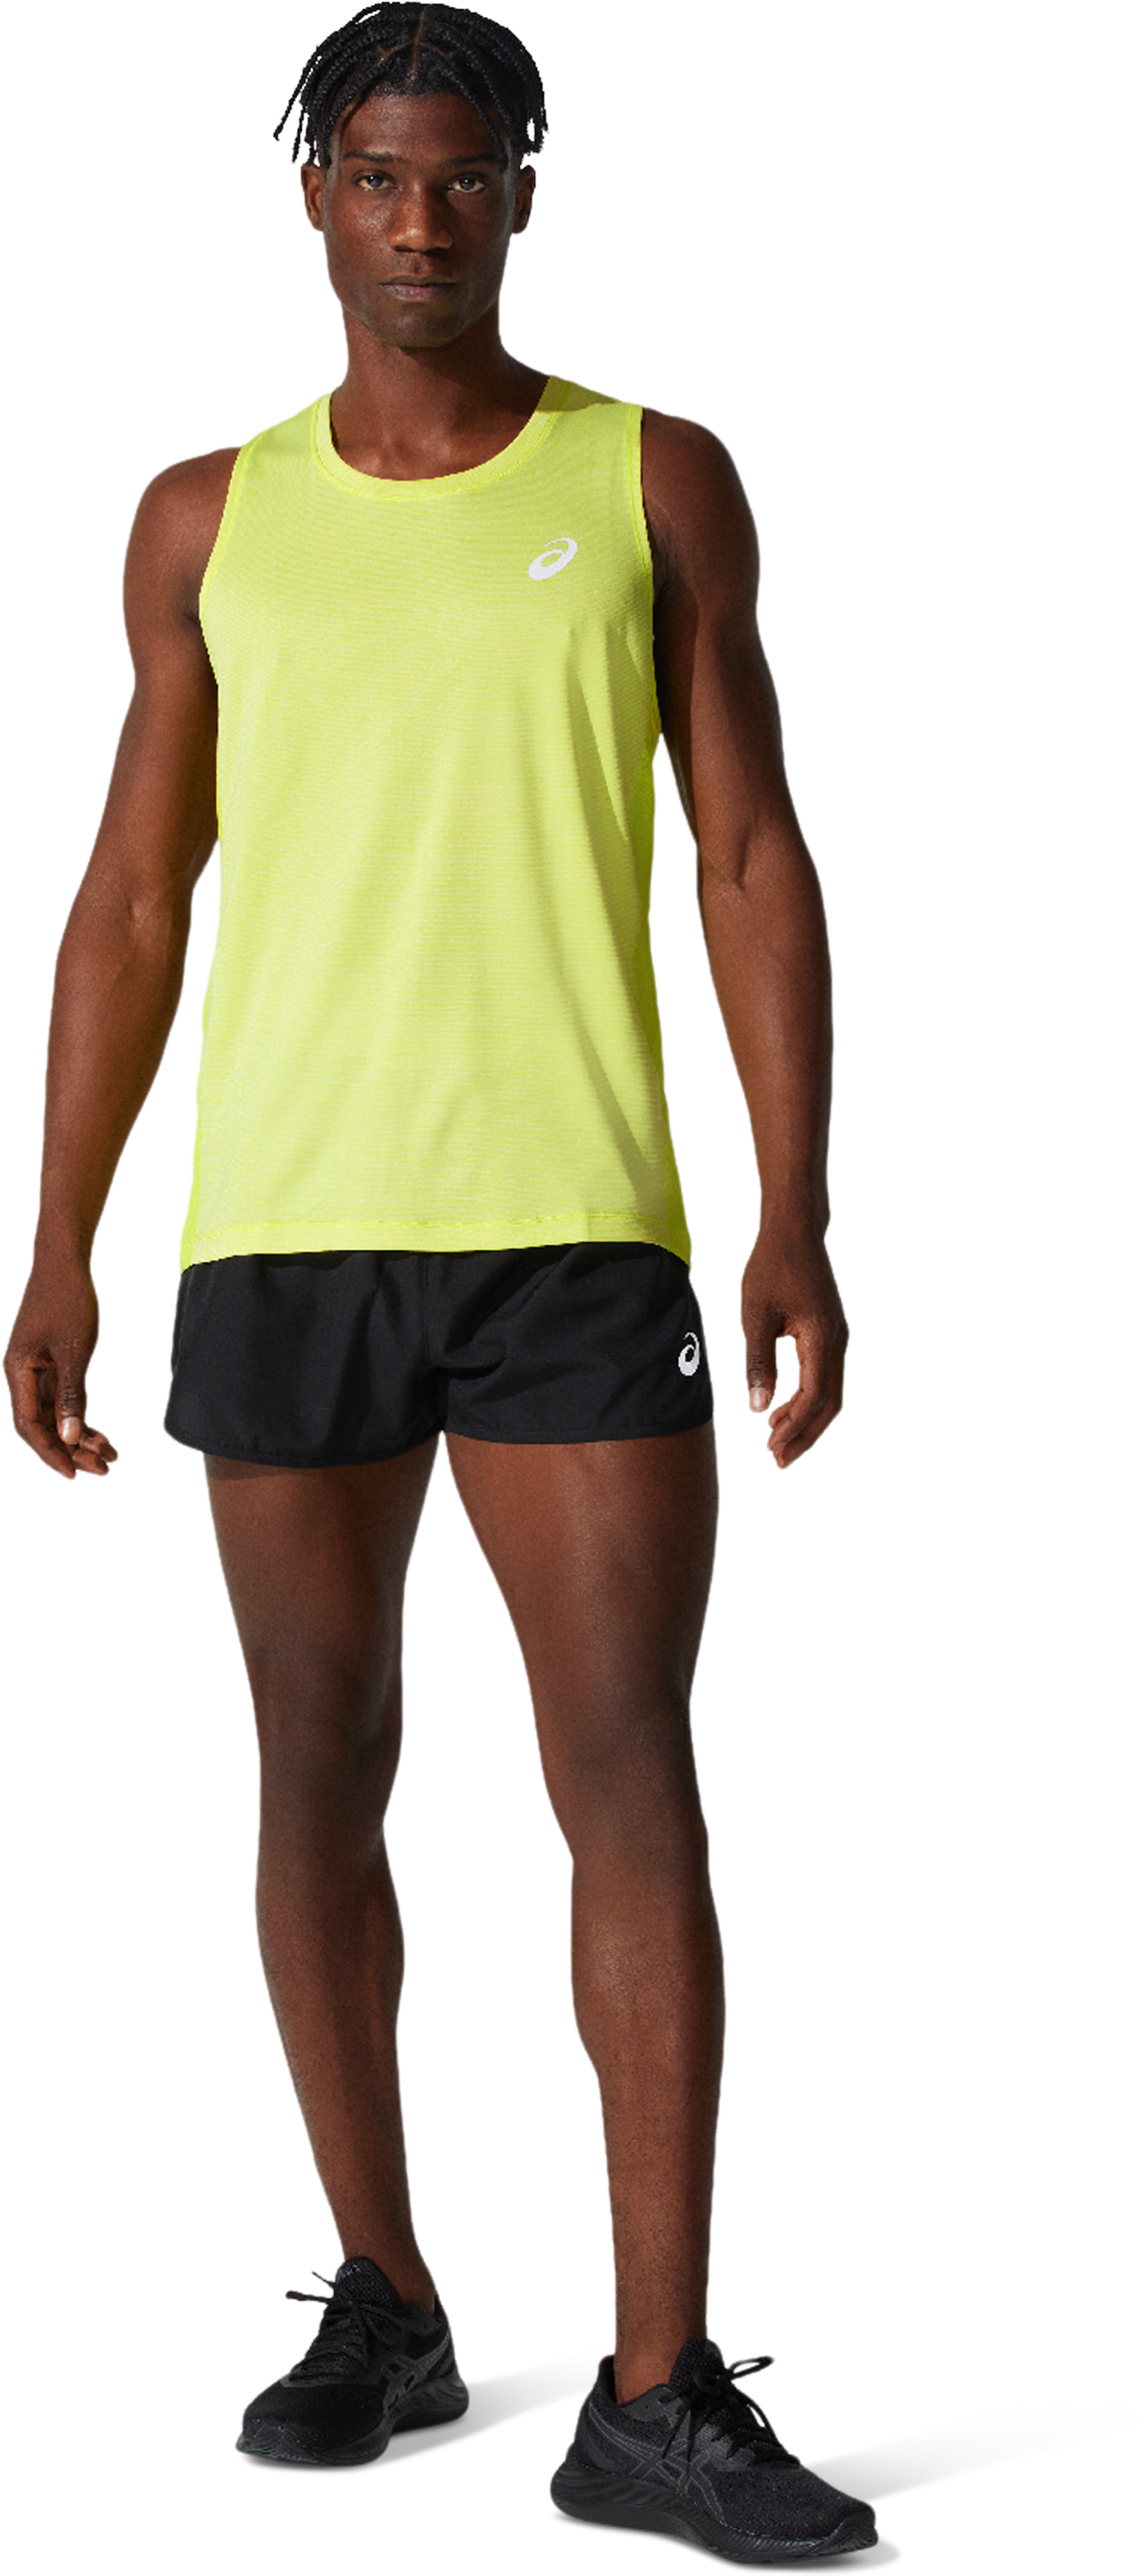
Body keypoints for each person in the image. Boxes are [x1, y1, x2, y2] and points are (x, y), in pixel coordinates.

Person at [2, 4, 874, 2553]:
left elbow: (746, 848)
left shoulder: (646, 472)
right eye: (376, 175)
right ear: (306, 192)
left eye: (464, 175)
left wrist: (793, 1204)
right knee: (313, 1773)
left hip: (573, 1217)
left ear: (525, 193)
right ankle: (380, 2293)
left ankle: (655, 2385)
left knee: (626, 1777)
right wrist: (56, 1239)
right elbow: (132, 894)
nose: (419, 220)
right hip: (282, 1220)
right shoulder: (205, 514)